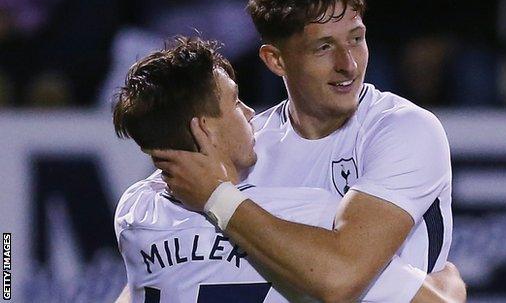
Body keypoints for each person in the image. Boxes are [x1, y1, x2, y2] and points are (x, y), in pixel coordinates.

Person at [149, 0, 460, 302]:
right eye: (324, 47)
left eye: (356, 39)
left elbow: (341, 278)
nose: (349, 65)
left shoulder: (404, 129)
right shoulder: (247, 148)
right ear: (275, 60)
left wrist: (217, 197)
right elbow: (163, 267)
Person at [113, 37, 465, 302]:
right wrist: (449, 281)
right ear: (204, 128)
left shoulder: (135, 211)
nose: (251, 114)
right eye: (236, 101)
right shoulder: (307, 215)